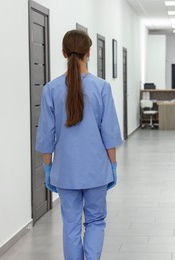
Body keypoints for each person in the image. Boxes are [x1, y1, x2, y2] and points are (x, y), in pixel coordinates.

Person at [35, 30, 122, 260]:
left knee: (70, 224)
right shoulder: (102, 88)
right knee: (95, 221)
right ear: (89, 53)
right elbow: (109, 134)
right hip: (96, 170)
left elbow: (46, 136)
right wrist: (112, 166)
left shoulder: (51, 89)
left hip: (65, 173)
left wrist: (48, 169)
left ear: (63, 53)